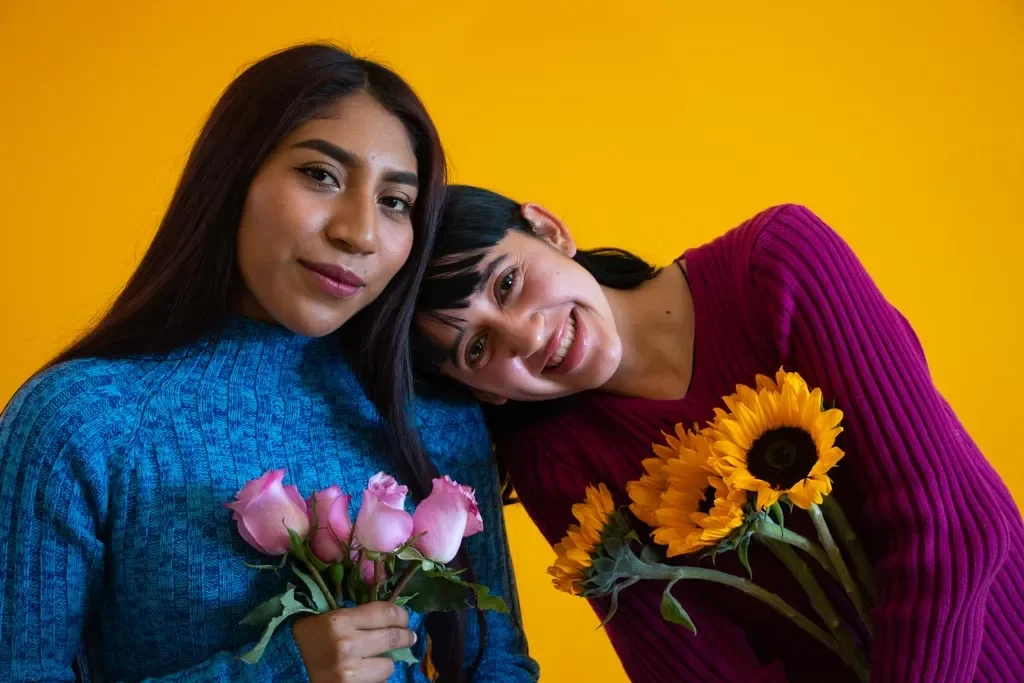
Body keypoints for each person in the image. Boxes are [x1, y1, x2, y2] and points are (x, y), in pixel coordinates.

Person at [0, 50, 537, 683]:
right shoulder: (79, 421)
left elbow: (495, 666)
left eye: (395, 202)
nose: (360, 232)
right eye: (320, 174)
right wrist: (279, 671)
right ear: (232, 179)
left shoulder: (432, 412)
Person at [413, 185, 1023, 682]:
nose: (526, 335)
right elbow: (696, 671)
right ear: (486, 393)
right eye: (478, 347)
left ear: (549, 230)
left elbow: (949, 525)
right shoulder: (558, 464)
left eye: (506, 284)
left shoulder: (779, 265)